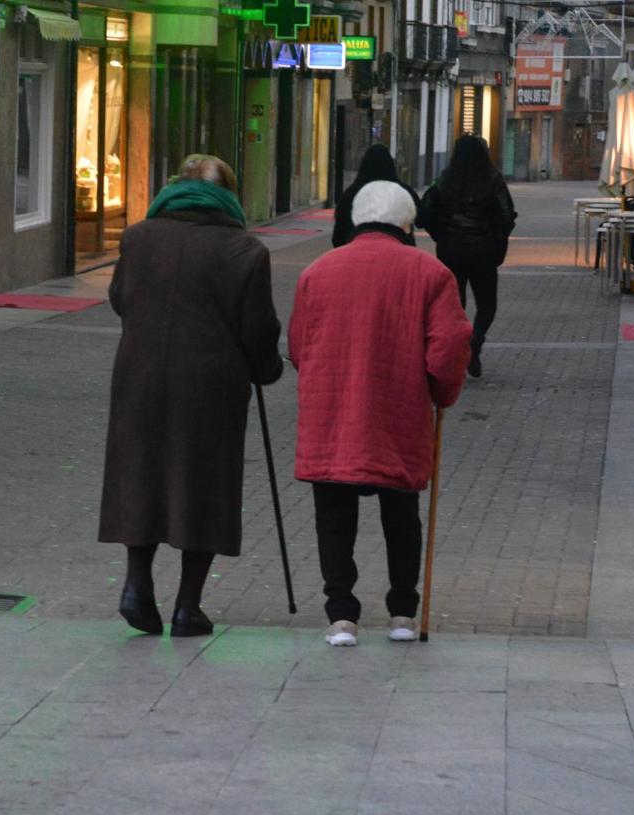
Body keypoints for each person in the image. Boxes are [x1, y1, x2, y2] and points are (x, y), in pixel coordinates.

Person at [99, 154, 284, 637]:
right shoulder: (244, 250)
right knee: (204, 484)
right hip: (210, 386)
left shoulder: (138, 238)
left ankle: (137, 585)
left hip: (139, 378)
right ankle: (188, 606)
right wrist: (267, 369)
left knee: (140, 472)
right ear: (229, 196)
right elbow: (258, 329)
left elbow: (121, 299)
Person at [289, 181, 472, 647]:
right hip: (399, 409)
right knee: (401, 514)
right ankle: (402, 613)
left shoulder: (317, 271)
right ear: (406, 223)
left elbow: (297, 346)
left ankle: (341, 615)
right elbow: (449, 349)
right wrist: (442, 394)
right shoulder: (431, 274)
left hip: (332, 414)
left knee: (333, 515)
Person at [419, 135, 516, 378]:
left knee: (455, 303)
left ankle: (459, 346)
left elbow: (424, 212)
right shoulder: (493, 179)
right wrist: (497, 239)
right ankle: (476, 339)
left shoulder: (445, 180)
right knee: (487, 302)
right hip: (483, 250)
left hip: (451, 250)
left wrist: (440, 234)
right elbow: (507, 214)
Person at [332, 144, 422, 247]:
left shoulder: (350, 194)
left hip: (356, 250)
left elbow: (339, 233)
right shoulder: (402, 192)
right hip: (399, 251)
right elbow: (420, 219)